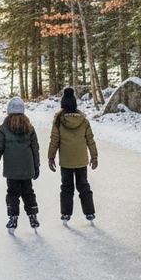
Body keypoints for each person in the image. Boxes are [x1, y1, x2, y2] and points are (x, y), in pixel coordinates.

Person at [48, 87, 98, 222]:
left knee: (66, 188)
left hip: (66, 161)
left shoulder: (58, 120)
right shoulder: (83, 120)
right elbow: (90, 140)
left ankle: (66, 214)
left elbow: (54, 140)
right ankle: (89, 213)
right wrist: (94, 156)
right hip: (81, 161)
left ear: (63, 104)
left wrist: (50, 157)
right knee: (83, 186)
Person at [0, 97, 40, 230]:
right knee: (28, 192)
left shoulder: (3, 128)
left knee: (12, 193)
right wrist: (36, 166)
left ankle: (13, 218)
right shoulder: (29, 127)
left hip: (11, 170)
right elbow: (35, 148)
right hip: (27, 168)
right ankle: (33, 216)